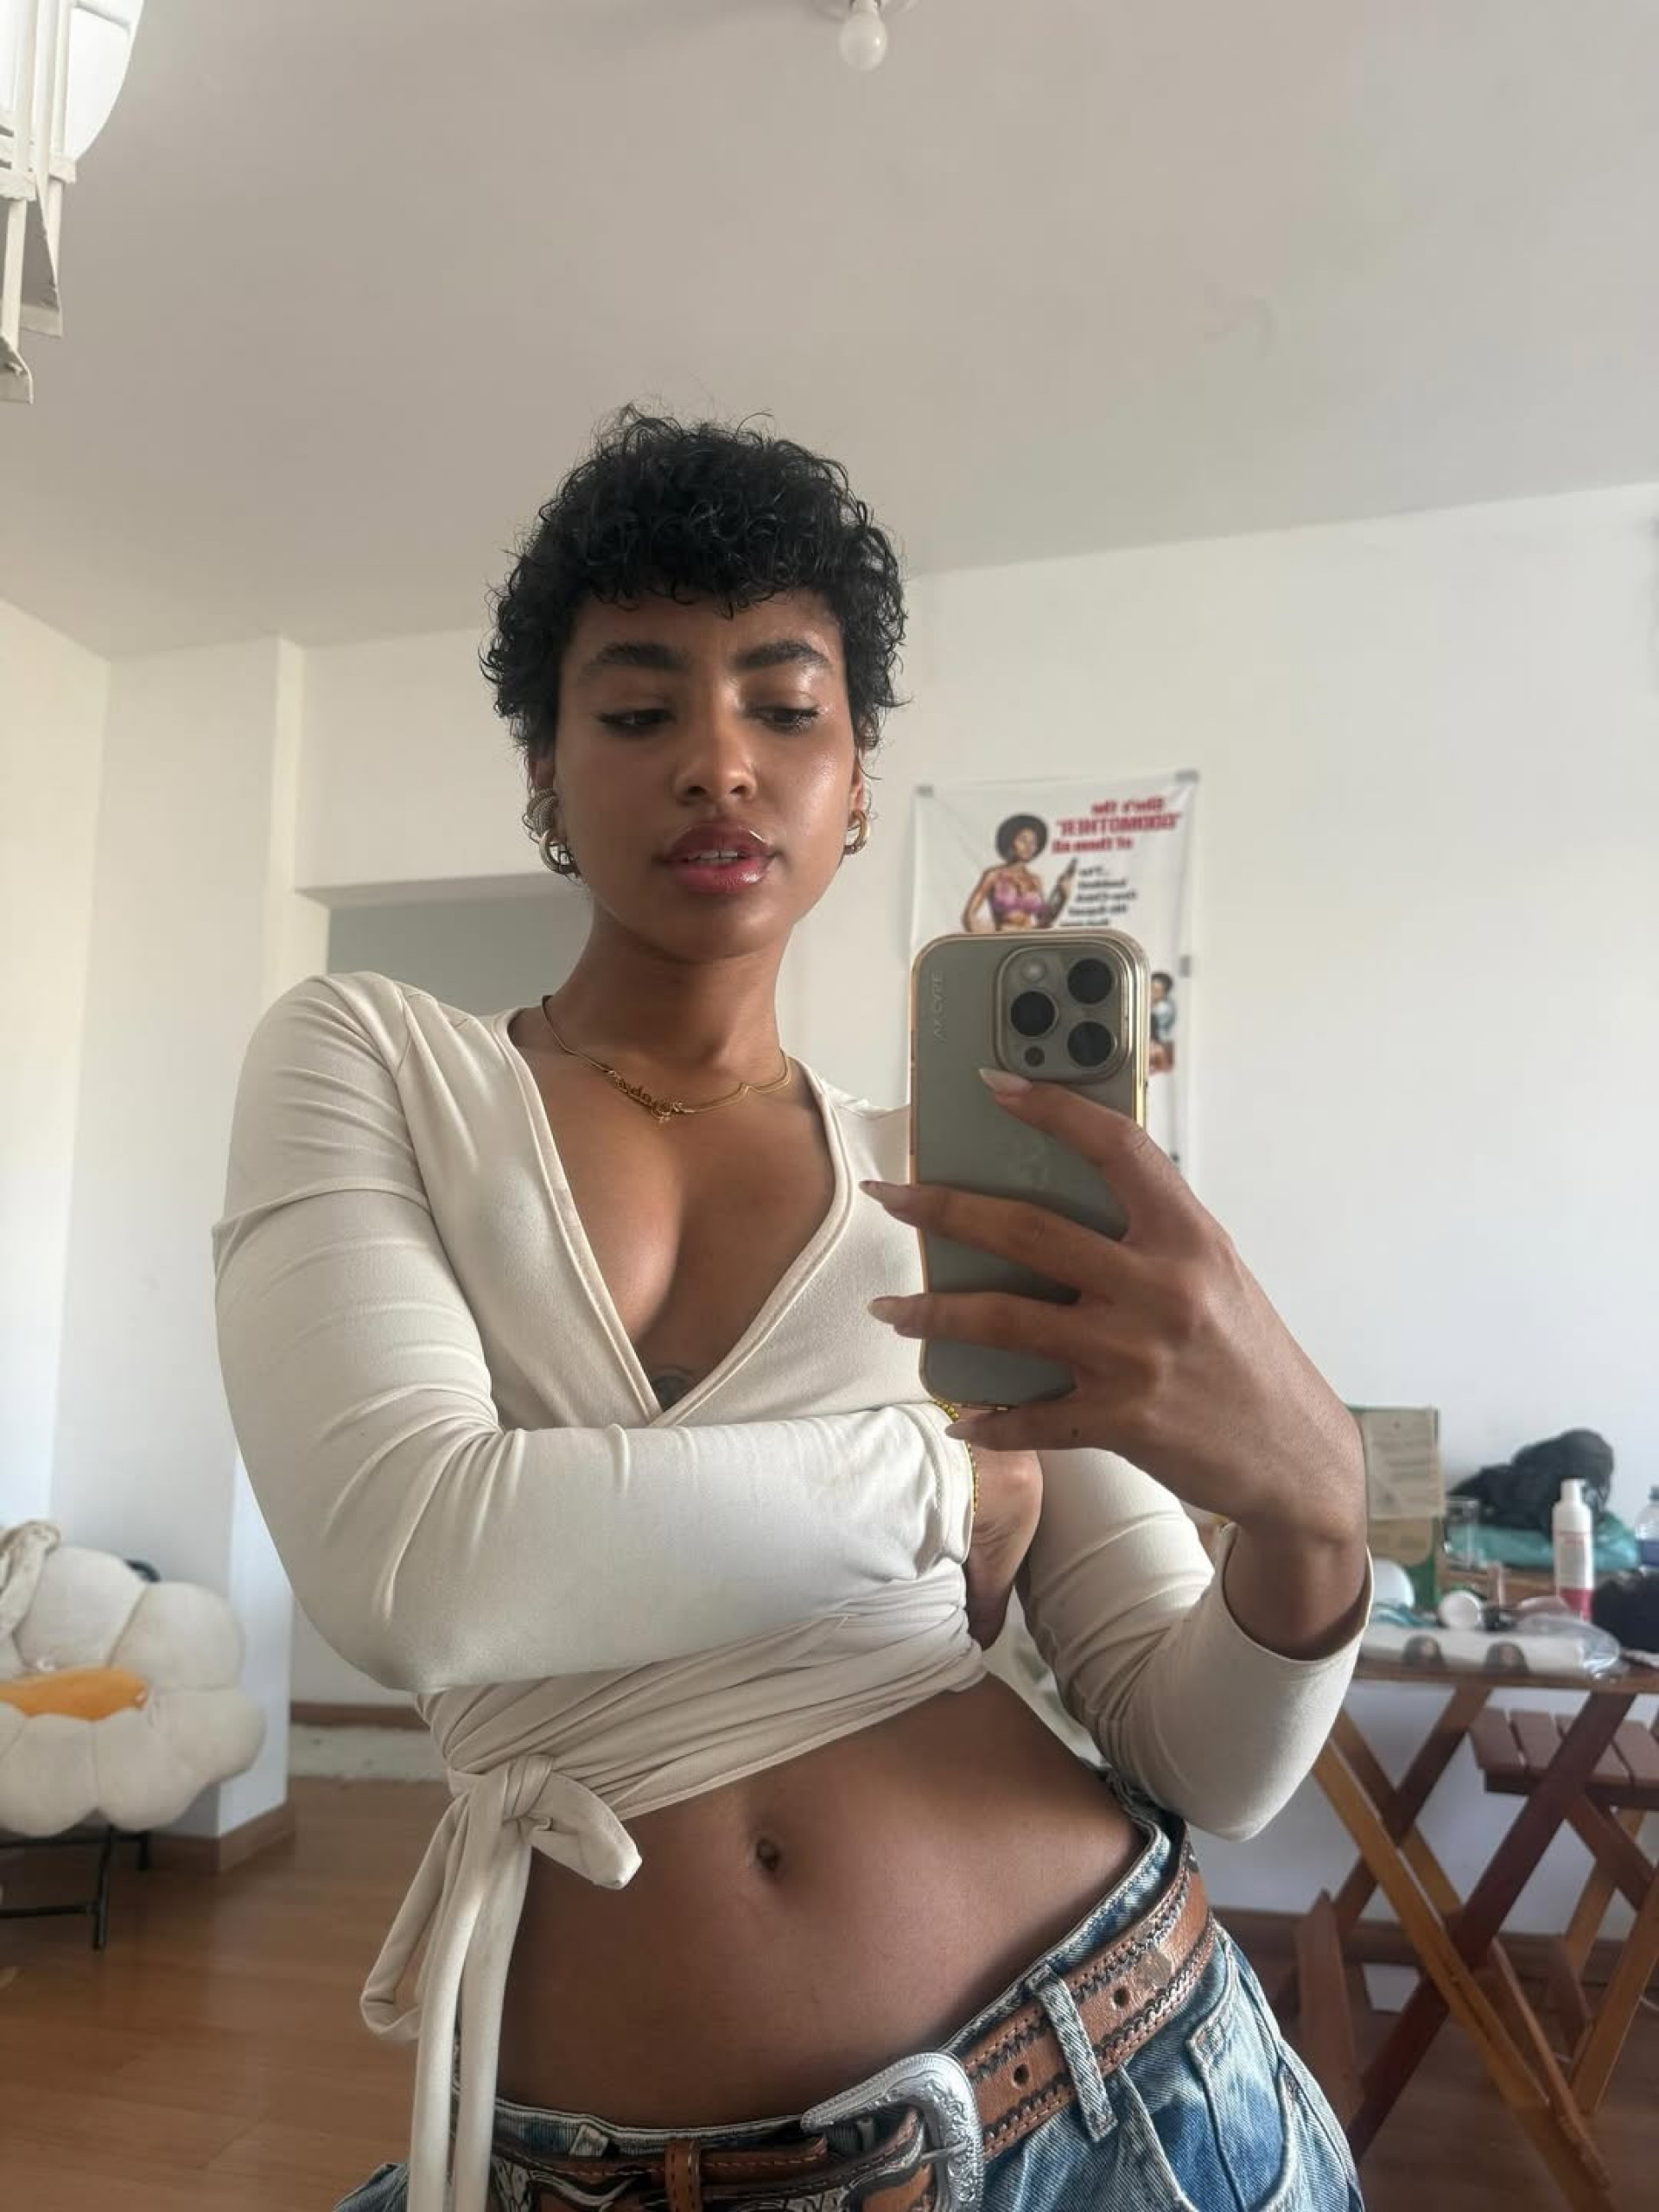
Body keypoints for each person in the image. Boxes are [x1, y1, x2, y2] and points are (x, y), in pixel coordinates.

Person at [213, 411, 1370, 2212]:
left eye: (785, 706)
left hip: (1127, 2086)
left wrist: (1313, 1513)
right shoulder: (374, 1061)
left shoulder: (950, 1180)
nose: (718, 763)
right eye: (638, 710)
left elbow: (1203, 1751)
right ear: (543, 771)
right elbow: (409, 1560)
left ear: (856, 776)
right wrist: (943, 1485)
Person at [960, 815, 1077, 931]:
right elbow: (968, 916)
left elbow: (1044, 923)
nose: (1028, 846)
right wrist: (987, 938)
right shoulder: (993, 875)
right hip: (1003, 938)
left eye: (1033, 842)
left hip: (1029, 939)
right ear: (1011, 841)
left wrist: (1062, 898)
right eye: (1023, 840)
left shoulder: (1035, 880)